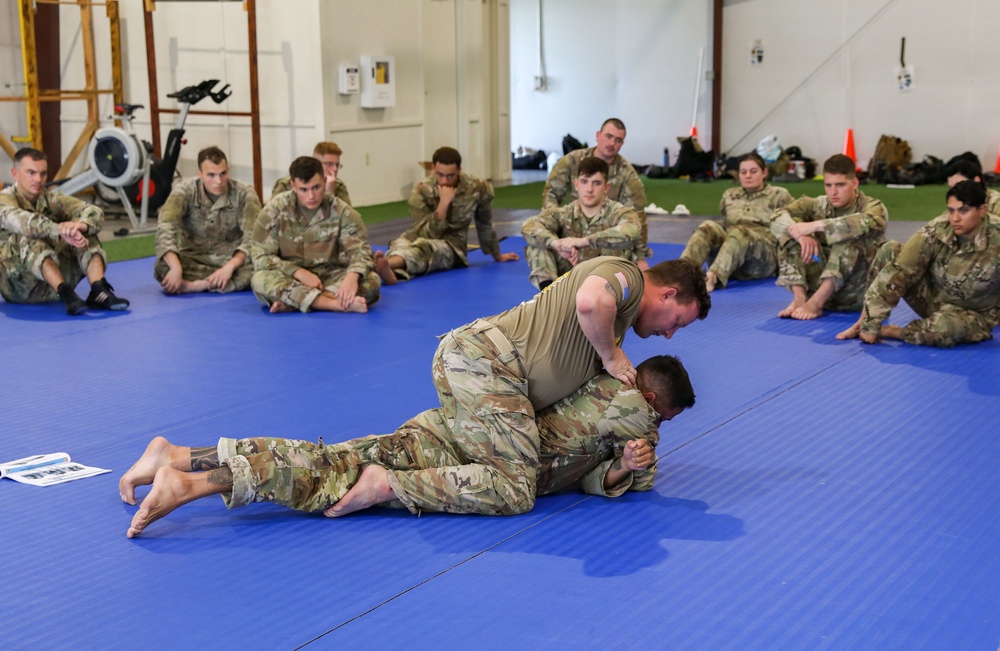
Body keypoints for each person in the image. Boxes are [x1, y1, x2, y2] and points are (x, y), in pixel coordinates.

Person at [120, 355, 696, 537]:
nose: (656, 432)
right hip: (450, 450)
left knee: (332, 460)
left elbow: (588, 474)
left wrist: (618, 469)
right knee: (334, 475)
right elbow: (642, 469)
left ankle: (181, 458)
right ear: (647, 396)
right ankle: (195, 481)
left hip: (454, 443)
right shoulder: (623, 405)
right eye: (660, 416)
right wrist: (635, 460)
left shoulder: (607, 422)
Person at [421, 256, 709, 518]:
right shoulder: (630, 279)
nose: (670, 334)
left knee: (450, 449)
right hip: (485, 364)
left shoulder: (618, 317)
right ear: (667, 294)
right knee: (514, 490)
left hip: (487, 370)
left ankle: (384, 457)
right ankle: (386, 486)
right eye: (678, 321)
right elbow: (590, 301)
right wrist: (611, 356)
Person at [836, 181, 1000, 347]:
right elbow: (901, 268)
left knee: (944, 328)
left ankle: (894, 332)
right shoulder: (938, 228)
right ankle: (862, 323)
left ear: (982, 210)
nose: (955, 218)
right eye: (951, 210)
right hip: (933, 300)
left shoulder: (997, 236)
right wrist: (871, 324)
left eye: (963, 211)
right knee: (890, 250)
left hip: (973, 316)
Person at [0, 147, 129, 314]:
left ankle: (99, 290)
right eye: (31, 173)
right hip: (18, 287)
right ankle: (66, 293)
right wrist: (59, 230)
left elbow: (92, 211)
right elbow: (23, 221)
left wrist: (80, 226)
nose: (38, 179)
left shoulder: (49, 199)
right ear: (15, 174)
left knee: (82, 231)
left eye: (43, 173)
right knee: (29, 235)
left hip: (48, 285)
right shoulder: (5, 200)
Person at [250, 156, 379, 313]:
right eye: (304, 190)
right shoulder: (274, 210)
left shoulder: (341, 211)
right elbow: (260, 256)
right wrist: (298, 272)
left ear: (324, 181)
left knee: (372, 282)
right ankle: (334, 304)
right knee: (259, 280)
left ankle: (296, 302)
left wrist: (352, 277)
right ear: (293, 185)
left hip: (329, 276)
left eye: (316, 187)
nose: (311, 196)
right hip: (289, 276)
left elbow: (362, 251)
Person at [373, 146, 519, 285]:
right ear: (433, 169)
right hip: (419, 236)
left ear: (459, 171)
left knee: (426, 249)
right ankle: (387, 272)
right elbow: (423, 232)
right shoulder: (421, 192)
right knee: (399, 246)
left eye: (450, 176)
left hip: (452, 247)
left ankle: (387, 266)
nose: (445, 181)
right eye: (440, 175)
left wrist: (497, 255)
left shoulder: (477, 187)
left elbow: (485, 223)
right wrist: (443, 205)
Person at [769, 154, 887, 320]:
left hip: (858, 293)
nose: (833, 192)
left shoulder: (872, 206)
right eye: (828, 185)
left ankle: (816, 304)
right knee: (787, 233)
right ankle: (799, 298)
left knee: (849, 235)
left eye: (840, 185)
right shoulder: (818, 204)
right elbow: (777, 216)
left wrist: (816, 225)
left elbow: (870, 220)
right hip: (819, 286)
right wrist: (802, 236)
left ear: (854, 183)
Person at [522, 156, 643, 290]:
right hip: (571, 277)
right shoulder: (565, 212)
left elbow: (633, 231)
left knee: (620, 244)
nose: (589, 189)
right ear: (576, 184)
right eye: (584, 182)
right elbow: (529, 225)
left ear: (606, 187)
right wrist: (556, 244)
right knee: (539, 245)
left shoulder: (618, 212)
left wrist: (585, 241)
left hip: (607, 282)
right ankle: (550, 297)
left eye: (596, 183)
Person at [154, 146, 261, 294]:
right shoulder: (183, 192)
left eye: (223, 174)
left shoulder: (245, 195)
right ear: (199, 174)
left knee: (260, 270)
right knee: (162, 267)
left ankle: (197, 286)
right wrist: (176, 268)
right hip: (193, 258)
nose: (218, 181)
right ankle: (219, 284)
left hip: (232, 261)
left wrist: (229, 267)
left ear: (228, 170)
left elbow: (253, 239)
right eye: (211, 175)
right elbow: (165, 230)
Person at [680, 152, 794, 292]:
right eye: (743, 172)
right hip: (731, 257)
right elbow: (724, 222)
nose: (748, 176)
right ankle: (681, 276)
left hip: (762, 260)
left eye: (753, 171)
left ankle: (712, 278)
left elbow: (793, 227)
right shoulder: (730, 195)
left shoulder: (780, 195)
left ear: (764, 172)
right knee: (707, 226)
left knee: (739, 231)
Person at [543, 118, 649, 265]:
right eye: (608, 136)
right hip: (573, 229)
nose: (612, 143)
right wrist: (557, 230)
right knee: (540, 242)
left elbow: (637, 216)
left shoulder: (627, 174)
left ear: (622, 144)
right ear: (598, 135)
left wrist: (641, 257)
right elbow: (551, 196)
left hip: (606, 238)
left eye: (618, 140)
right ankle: (549, 285)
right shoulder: (571, 161)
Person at [271, 141, 352, 206]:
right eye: (330, 164)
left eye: (337, 165)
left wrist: (330, 192)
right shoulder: (285, 184)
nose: (334, 169)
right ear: (317, 163)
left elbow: (347, 218)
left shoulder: (337, 185)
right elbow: (273, 215)